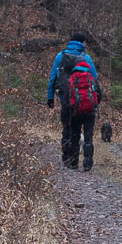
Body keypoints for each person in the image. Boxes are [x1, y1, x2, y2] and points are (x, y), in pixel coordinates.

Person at [47, 32, 102, 171]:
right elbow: (94, 81)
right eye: (85, 43)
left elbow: (53, 78)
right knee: (87, 133)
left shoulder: (60, 56)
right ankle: (87, 162)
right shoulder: (86, 58)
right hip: (86, 102)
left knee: (68, 128)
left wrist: (50, 97)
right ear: (82, 43)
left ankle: (68, 159)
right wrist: (96, 101)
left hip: (66, 99)